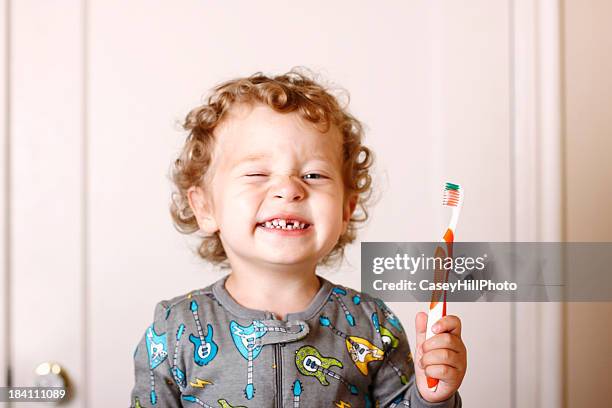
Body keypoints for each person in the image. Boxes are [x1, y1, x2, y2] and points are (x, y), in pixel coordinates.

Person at [130, 68, 466, 407]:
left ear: (346, 208)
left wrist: (431, 396)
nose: (289, 189)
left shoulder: (374, 325)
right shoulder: (176, 329)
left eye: (313, 174)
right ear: (205, 207)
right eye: (257, 173)